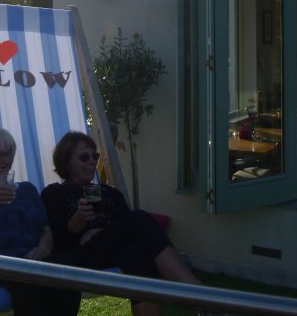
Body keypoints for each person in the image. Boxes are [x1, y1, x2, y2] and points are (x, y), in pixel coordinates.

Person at [41, 131, 202, 316]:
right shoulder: (54, 194)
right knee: (140, 218)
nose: (92, 162)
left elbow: (128, 231)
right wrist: (79, 218)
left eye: (95, 156)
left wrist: (102, 231)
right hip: (79, 256)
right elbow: (59, 240)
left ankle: (199, 300)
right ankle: (200, 296)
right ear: (66, 162)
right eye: (84, 157)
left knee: (138, 252)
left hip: (113, 253)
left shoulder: (110, 192)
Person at [0, 127, 81, 316]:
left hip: (35, 261)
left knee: (65, 266)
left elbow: (46, 229)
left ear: (12, 156)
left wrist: (44, 249)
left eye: (4, 154)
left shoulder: (27, 189)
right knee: (24, 277)